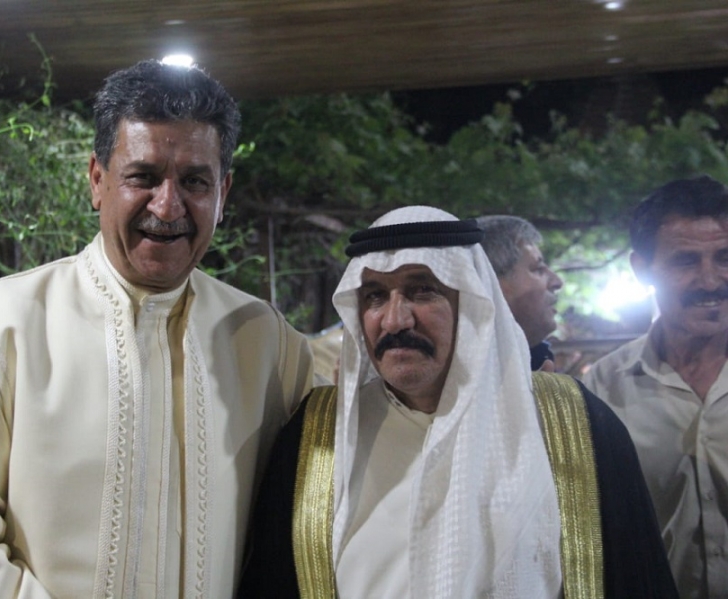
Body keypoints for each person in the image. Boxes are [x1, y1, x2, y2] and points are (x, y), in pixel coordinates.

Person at [0, 60, 314, 598]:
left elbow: (306, 531)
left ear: (224, 193)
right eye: (143, 177)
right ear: (98, 180)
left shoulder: (268, 345)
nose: (167, 206)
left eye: (195, 181)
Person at [240, 206, 677, 598]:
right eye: (375, 296)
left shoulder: (571, 422)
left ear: (472, 303)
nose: (395, 320)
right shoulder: (315, 437)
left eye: (422, 290)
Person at [583, 175, 728, 599]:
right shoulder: (604, 388)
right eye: (686, 261)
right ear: (641, 269)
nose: (710, 280)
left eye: (724, 257)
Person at [476, 214, 564, 370]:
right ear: (491, 283)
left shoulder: (540, 362)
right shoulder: (450, 377)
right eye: (538, 269)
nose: (557, 282)